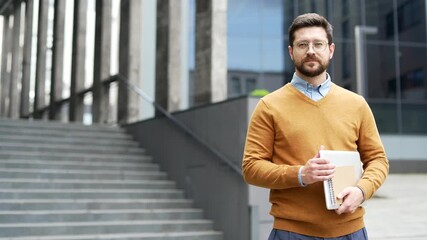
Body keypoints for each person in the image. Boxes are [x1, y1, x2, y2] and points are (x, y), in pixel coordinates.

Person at [242, 13, 389, 239]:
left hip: (350, 230)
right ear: (292, 52)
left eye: (318, 44)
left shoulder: (356, 104)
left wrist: (362, 190)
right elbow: (251, 168)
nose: (311, 50)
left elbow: (378, 160)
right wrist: (301, 174)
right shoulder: (269, 106)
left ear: (330, 50)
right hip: (292, 232)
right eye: (302, 44)